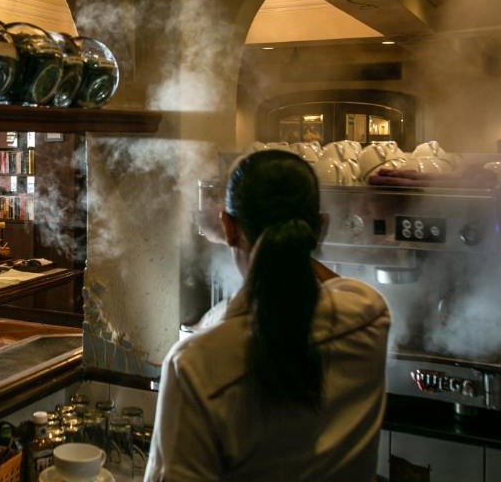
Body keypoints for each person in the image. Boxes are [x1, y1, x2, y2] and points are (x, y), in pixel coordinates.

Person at [145, 149, 390, 482]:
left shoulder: (195, 367)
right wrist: (291, 247)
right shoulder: (369, 314)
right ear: (320, 228)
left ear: (228, 227)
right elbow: (325, 285)